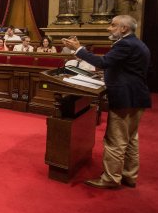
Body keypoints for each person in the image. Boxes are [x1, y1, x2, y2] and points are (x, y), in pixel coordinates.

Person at [62, 15, 151, 189]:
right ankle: (129, 175)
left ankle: (110, 178)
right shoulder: (138, 43)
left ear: (124, 28)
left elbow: (103, 62)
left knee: (115, 140)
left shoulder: (125, 44)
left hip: (125, 97)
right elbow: (130, 69)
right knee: (131, 138)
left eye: (112, 25)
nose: (109, 28)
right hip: (137, 95)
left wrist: (79, 49)